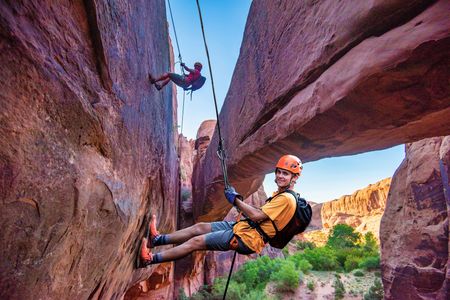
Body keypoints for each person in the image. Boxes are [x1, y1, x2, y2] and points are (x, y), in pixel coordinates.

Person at [138, 154, 303, 266]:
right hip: (245, 228)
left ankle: (149, 259)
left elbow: (258, 215)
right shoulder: (281, 195)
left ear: (294, 177)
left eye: (286, 174)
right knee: (200, 227)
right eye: (279, 172)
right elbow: (260, 216)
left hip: (247, 238)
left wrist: (236, 200)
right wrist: (237, 199)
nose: (280, 176)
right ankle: (157, 240)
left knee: (195, 242)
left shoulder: (286, 199)